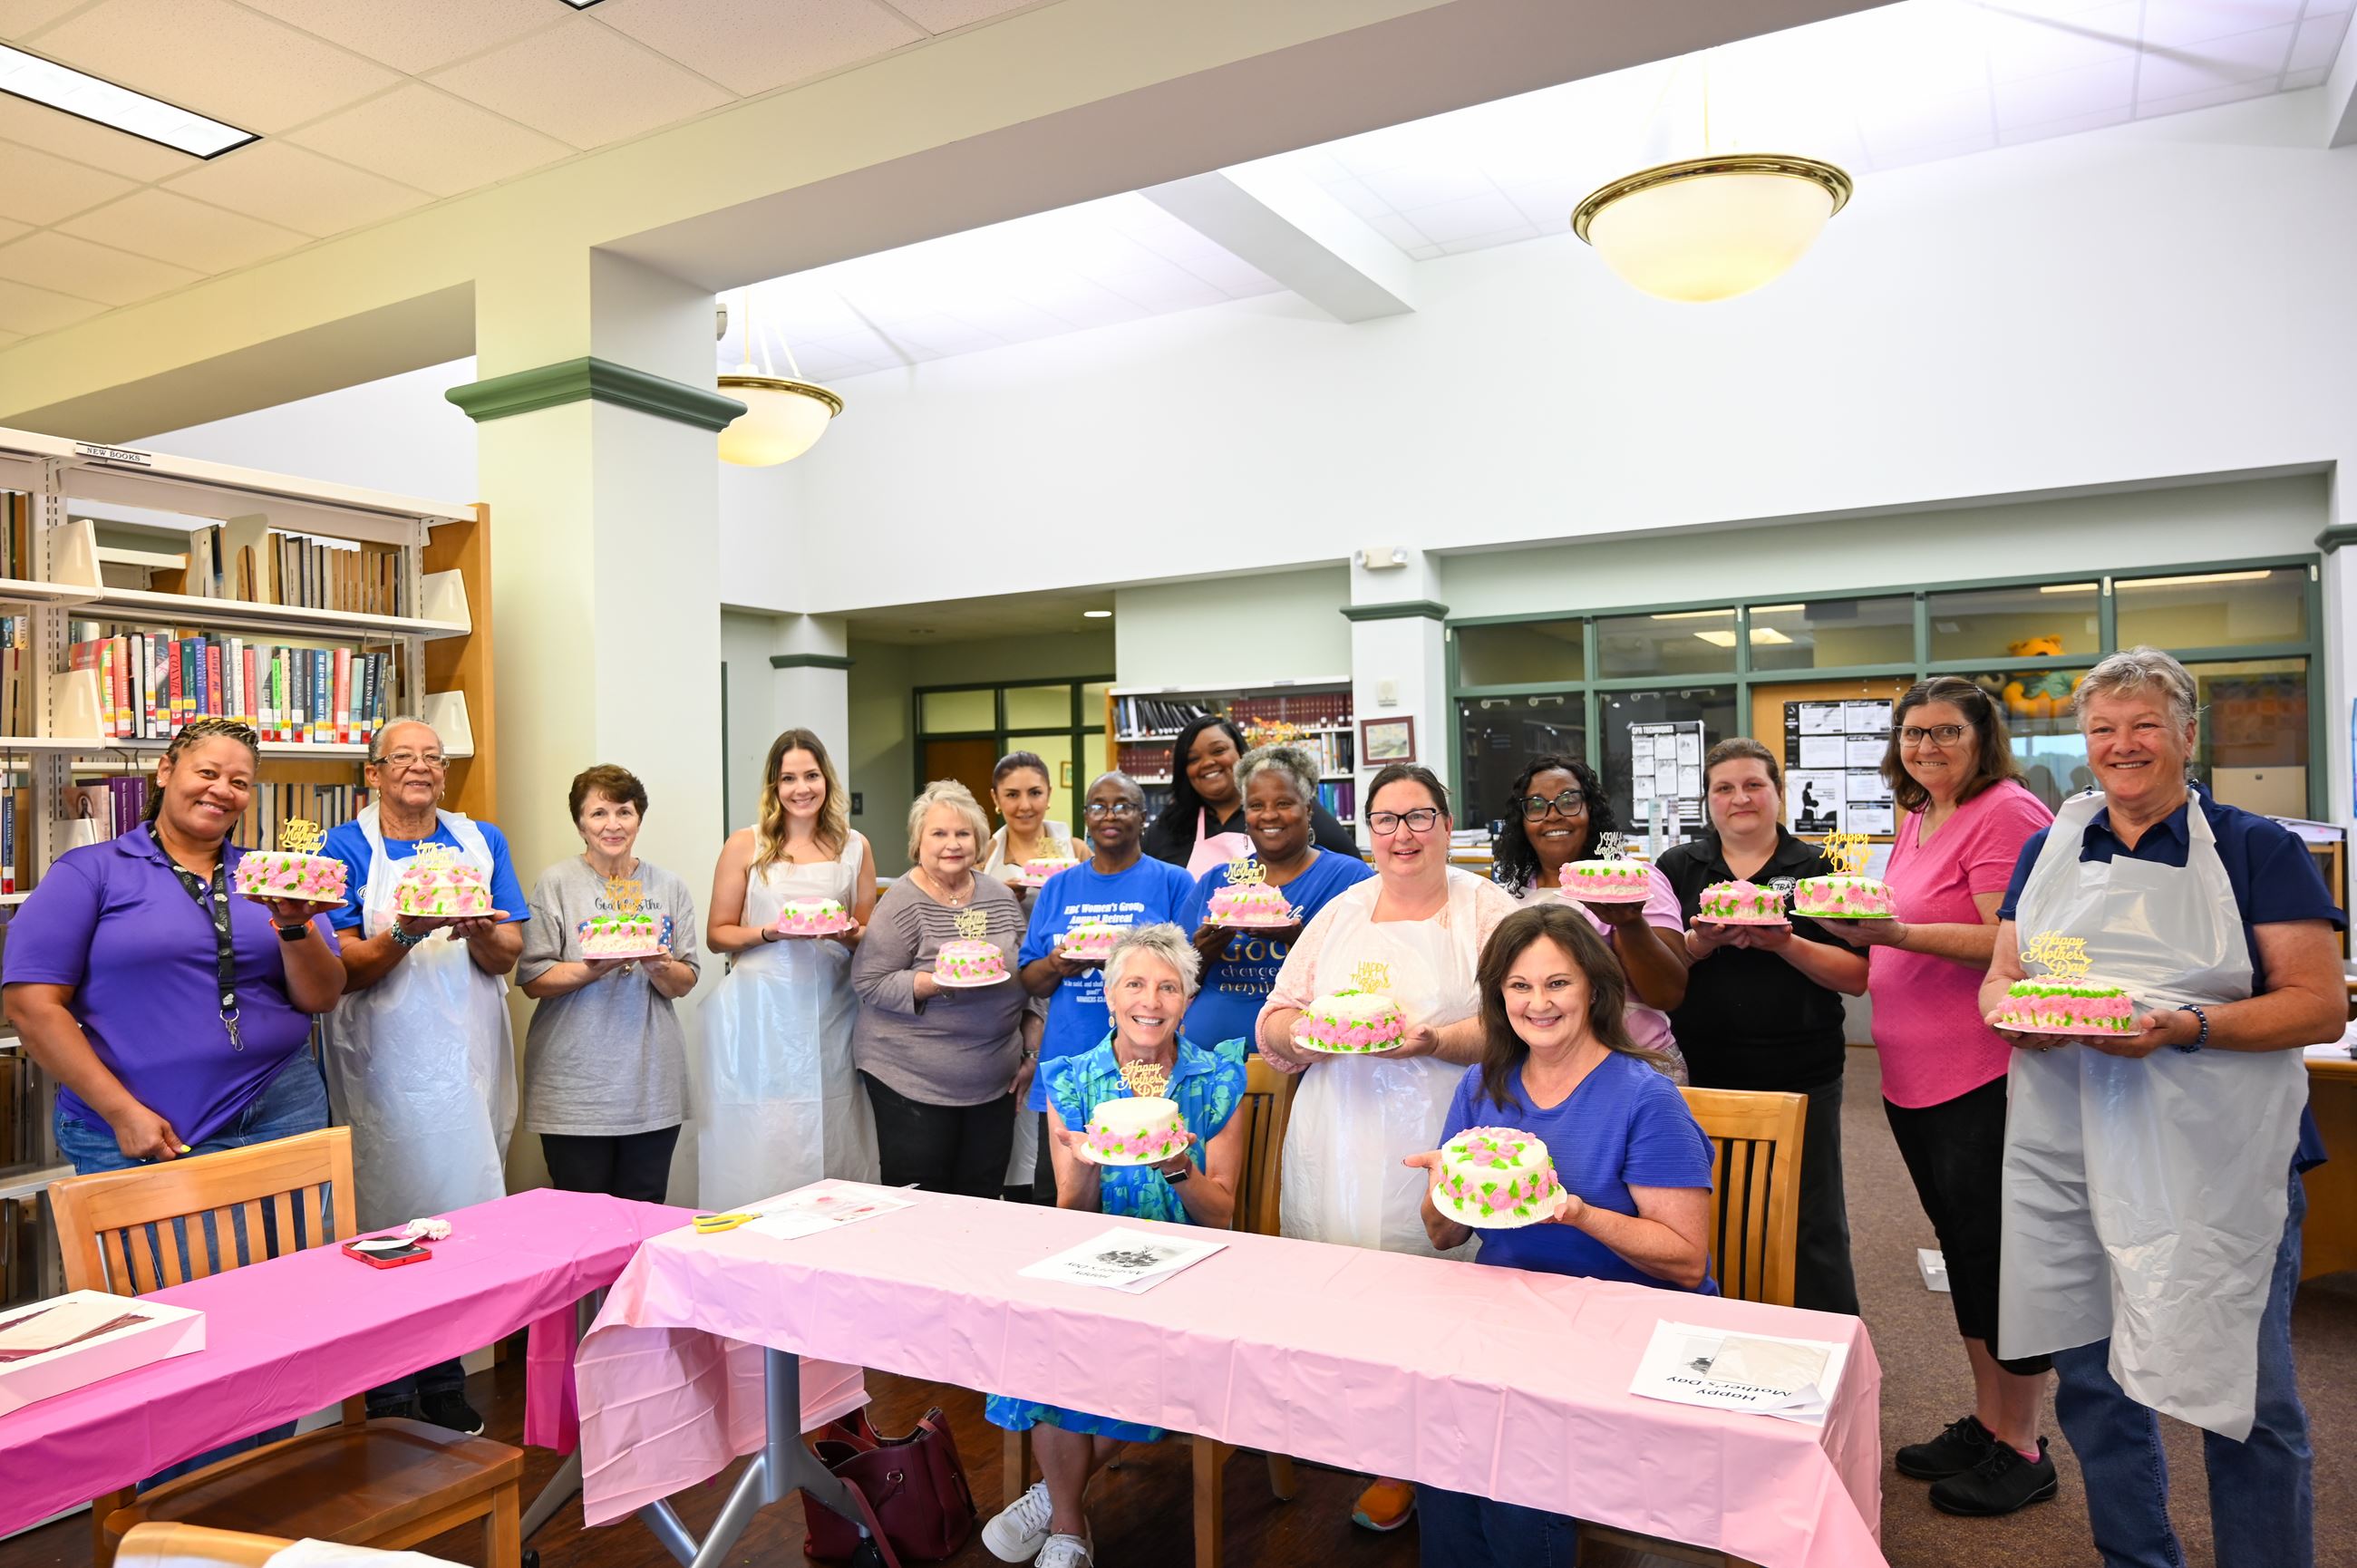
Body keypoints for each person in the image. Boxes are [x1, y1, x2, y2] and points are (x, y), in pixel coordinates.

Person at [1981, 646, 2344, 1568]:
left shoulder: (2255, 847)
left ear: (2187, 733)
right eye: (2101, 727)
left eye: (2143, 723)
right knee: (2093, 1383)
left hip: (2219, 1153)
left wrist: (2180, 1024)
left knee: (2241, 1393)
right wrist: (2010, 1016)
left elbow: (2316, 1002)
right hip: (2070, 1143)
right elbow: (2001, 974)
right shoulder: (2050, 847)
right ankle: (2134, 1555)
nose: (2121, 743)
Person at [1402, 903, 1716, 1567]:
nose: (1537, 1003)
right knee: (1440, 1449)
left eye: (1557, 983)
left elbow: (1687, 1263)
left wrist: (1572, 1210)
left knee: (1514, 1457)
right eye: (1519, 986)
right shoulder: (1481, 1086)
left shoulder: (1645, 1097)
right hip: (1512, 1322)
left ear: (1596, 989)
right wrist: (1446, 1183)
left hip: (1623, 1328)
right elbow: (1441, 1234)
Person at [1256, 762, 1516, 1534]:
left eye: (1419, 816)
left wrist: (1434, 1039)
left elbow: (1514, 1023)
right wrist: (1302, 1036)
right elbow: (1274, 1020)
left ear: (1445, 824)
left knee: (1440, 1293)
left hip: (1445, 1126)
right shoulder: (1338, 913)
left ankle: (1437, 1461)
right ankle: (1368, 1441)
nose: (1402, 834)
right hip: (1336, 1131)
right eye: (1386, 820)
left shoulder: (1486, 911)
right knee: (1346, 1282)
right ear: (1367, 832)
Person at [1838, 676, 2057, 1515]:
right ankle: (1988, 1418)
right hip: (1912, 1079)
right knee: (1964, 1251)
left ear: (1982, 738)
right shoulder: (1921, 816)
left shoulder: (2005, 811)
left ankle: (2026, 1445)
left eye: (1945, 733)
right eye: (1913, 735)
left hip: (1981, 1075)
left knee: (2000, 1258)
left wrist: (1896, 934)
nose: (1926, 748)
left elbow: (2020, 946)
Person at [980, 925, 1247, 1568]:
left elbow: (1224, 1214)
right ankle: (1071, 1527)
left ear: (1186, 999)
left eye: (1168, 987)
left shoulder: (1219, 1077)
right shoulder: (1071, 1079)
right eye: (1134, 984)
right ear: (1109, 996)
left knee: (1135, 1356)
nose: (1150, 1001)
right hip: (1094, 1258)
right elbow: (1072, 1211)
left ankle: (1052, 1500)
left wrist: (1178, 1162)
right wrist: (1089, 1160)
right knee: (1043, 1340)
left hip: (1191, 1268)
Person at [5, 717, 343, 1175]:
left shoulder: (271, 877)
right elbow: (31, 1006)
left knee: (303, 1248)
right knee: (183, 1251)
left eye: (239, 782)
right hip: (155, 1124)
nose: (222, 790)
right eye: (207, 773)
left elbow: (320, 998)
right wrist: (120, 1112)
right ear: (165, 771)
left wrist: (293, 927)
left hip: (284, 1107)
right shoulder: (90, 873)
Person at [323, 717, 529, 1436]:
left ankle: (444, 1376)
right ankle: (384, 1391)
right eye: (402, 757)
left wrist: (479, 929)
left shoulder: (481, 841)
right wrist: (405, 931)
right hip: (381, 1060)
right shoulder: (345, 846)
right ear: (372, 773)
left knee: (457, 1213)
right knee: (384, 1217)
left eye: (433, 758)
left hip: (466, 1056)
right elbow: (342, 966)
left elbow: (509, 953)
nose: (420, 768)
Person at [1657, 738, 1866, 1314]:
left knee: (1809, 1214)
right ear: (1708, 800)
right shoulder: (1678, 868)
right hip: (1701, 1067)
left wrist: (1785, 942)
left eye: (1754, 785)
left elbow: (1855, 975)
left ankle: (1830, 1342)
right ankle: (1718, 1332)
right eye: (1724, 788)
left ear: (1779, 794)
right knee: (1705, 1206)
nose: (1739, 798)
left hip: (1801, 1069)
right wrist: (1702, 942)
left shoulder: (1820, 869)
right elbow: (1655, 972)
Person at [701, 728, 879, 1208]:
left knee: (835, 1117)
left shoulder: (854, 846)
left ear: (827, 779)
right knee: (767, 1125)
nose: (802, 788)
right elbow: (718, 933)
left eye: (811, 776)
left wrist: (848, 933)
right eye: (789, 778)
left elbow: (865, 927)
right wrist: (770, 932)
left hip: (832, 1003)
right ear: (773, 787)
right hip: (761, 1008)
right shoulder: (746, 844)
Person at [516, 765, 700, 1203]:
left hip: (650, 1084)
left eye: (625, 812)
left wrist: (658, 964)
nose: (613, 825)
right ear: (580, 822)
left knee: (645, 1206)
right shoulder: (557, 883)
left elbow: (686, 979)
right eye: (598, 813)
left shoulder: (668, 887)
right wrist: (591, 968)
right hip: (575, 1088)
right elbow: (533, 979)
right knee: (582, 1218)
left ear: (640, 819)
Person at [1017, 772, 1195, 1201]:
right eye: (1098, 806)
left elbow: (1189, 977)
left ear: (1143, 816)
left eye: (1123, 805)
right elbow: (1031, 979)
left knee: (1149, 1197)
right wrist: (1059, 963)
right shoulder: (1058, 887)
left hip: (1149, 1071)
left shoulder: (1173, 882)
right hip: (1070, 1068)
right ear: (1085, 818)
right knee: (1062, 1200)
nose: (1110, 815)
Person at [850, 781, 1029, 1196]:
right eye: (939, 834)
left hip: (995, 1079)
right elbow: (869, 981)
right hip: (911, 1079)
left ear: (980, 841)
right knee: (922, 1200)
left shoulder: (1000, 897)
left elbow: (1030, 971)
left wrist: (1031, 1052)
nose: (953, 844)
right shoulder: (901, 903)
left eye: (963, 834)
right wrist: (934, 982)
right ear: (918, 842)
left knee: (983, 1194)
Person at [1490, 755, 1690, 1080]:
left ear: (1590, 810)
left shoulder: (1635, 881)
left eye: (1569, 801)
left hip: (1638, 1068)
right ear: (1522, 821)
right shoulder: (1510, 896)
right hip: (1543, 1074)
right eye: (1537, 805)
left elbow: (1667, 993)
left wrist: (1629, 923)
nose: (1553, 815)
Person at [1178, 743, 1372, 1050]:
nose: (1269, 815)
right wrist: (1201, 956)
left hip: (1301, 1059)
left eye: (1283, 803)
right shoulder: (1217, 881)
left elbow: (1368, 977)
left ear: (1308, 808)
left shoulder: (1350, 879)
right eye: (1256, 805)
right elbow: (1175, 983)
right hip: (1205, 1060)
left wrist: (1298, 939)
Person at [979, 750, 1072, 1196]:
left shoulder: (1074, 849)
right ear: (995, 799)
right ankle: (1016, 1193)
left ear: (1049, 796)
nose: (1024, 805)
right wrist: (1002, 901)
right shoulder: (985, 854)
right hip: (1006, 988)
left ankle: (1062, 1187)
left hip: (1066, 985)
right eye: (1012, 795)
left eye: (1034, 793)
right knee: (1016, 1098)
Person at [1140, 714, 1357, 874]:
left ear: (1242, 754)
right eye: (1193, 759)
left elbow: (1350, 868)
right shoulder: (1167, 828)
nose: (1207, 763)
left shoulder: (1291, 811)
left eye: (1218, 751)